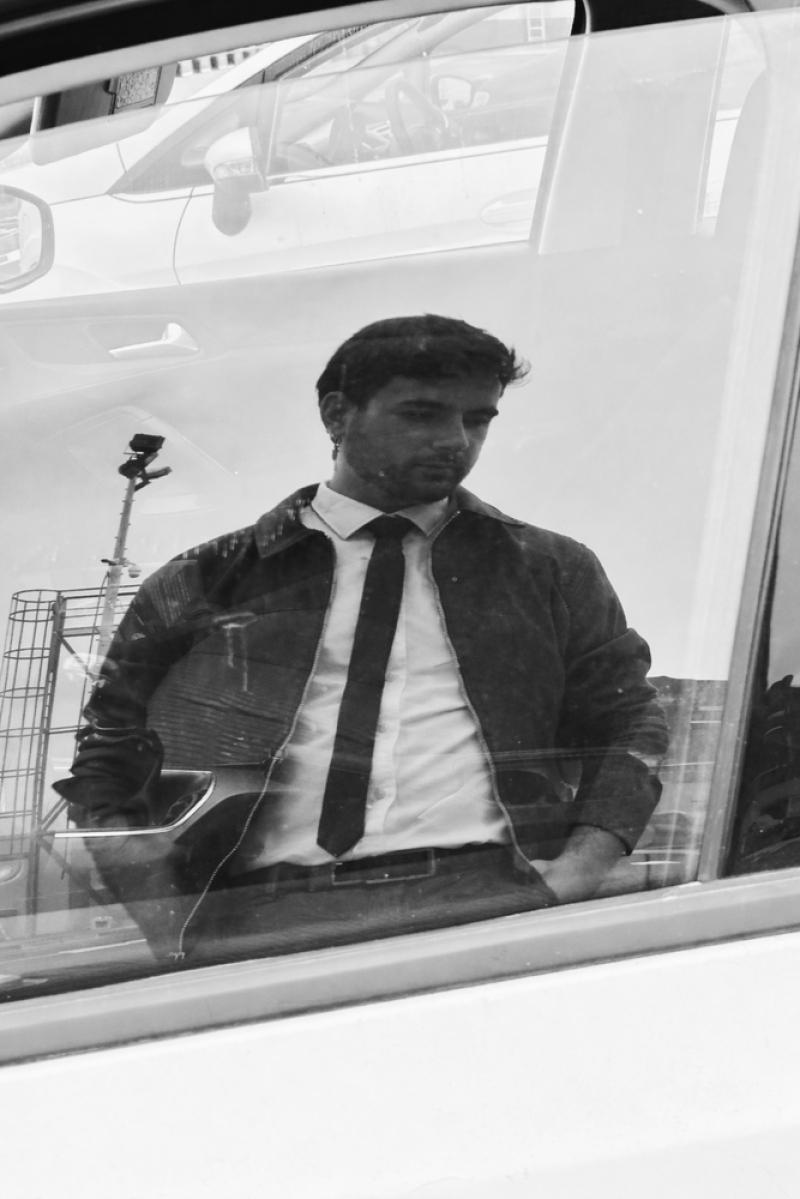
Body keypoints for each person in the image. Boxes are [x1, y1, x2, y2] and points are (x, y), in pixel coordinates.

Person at [55, 314, 668, 965]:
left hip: (491, 897)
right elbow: (107, 752)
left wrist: (578, 871)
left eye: (478, 420)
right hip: (263, 917)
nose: (455, 441)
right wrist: (165, 917)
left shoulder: (550, 569)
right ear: (337, 414)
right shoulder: (207, 579)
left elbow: (629, 720)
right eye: (422, 414)